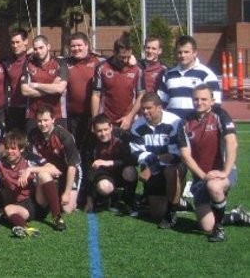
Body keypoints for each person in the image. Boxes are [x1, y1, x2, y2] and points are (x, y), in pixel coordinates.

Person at [178, 84, 238, 242]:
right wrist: (204, 176)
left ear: (212, 101)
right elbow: (186, 156)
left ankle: (219, 230)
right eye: (196, 99)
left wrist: (225, 172)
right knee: (206, 226)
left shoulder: (220, 115)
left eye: (204, 99)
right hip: (201, 176)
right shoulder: (184, 122)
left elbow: (232, 143)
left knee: (215, 186)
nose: (199, 102)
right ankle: (233, 216)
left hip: (224, 171)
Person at [130, 92, 183, 228]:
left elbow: (175, 155)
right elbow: (137, 153)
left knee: (171, 172)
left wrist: (152, 167)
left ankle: (171, 211)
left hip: (173, 166)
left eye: (149, 108)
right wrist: (155, 163)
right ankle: (178, 202)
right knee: (156, 214)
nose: (145, 112)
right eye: (143, 109)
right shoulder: (137, 126)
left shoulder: (174, 122)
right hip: (151, 167)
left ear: (159, 107)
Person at [28, 105, 80, 230]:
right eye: (39, 121)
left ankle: (68, 196)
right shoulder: (33, 134)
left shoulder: (65, 136)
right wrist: (44, 166)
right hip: (47, 171)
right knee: (42, 201)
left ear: (53, 120)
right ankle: (56, 216)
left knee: (67, 209)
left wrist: (67, 193)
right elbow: (28, 156)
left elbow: (72, 166)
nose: (42, 124)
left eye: (46, 120)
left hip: (68, 171)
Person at [0, 131, 45, 238]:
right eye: (8, 148)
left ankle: (26, 228)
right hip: (14, 202)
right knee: (7, 209)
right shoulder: (0, 164)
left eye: (13, 149)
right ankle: (23, 228)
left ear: (21, 149)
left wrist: (30, 171)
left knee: (8, 209)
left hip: (29, 203)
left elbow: (54, 171)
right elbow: (3, 188)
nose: (9, 151)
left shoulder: (28, 161)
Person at [158, 35, 221, 119]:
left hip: (195, 126)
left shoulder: (207, 74)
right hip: (173, 126)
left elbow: (216, 103)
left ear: (195, 53)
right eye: (179, 52)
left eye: (186, 52)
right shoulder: (168, 75)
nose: (182, 55)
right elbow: (160, 102)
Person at [85, 114, 137, 214]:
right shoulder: (90, 142)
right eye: (99, 131)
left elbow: (132, 160)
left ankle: (129, 201)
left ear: (111, 127)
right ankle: (112, 198)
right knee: (104, 187)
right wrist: (89, 200)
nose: (103, 133)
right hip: (104, 175)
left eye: (105, 129)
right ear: (94, 130)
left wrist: (109, 162)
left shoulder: (123, 136)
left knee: (130, 171)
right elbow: (89, 169)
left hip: (122, 171)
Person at [91, 37, 144, 130]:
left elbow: (141, 95)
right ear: (114, 52)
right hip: (106, 121)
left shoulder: (137, 69)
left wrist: (130, 117)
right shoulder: (102, 67)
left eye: (128, 57)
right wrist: (95, 120)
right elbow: (96, 95)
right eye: (122, 57)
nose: (125, 60)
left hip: (129, 121)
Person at [20, 35, 68, 132]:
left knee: (58, 145)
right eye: (35, 49)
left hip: (57, 114)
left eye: (41, 48)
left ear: (48, 47)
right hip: (33, 115)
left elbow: (59, 89)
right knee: (33, 146)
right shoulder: (29, 64)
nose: (38, 51)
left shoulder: (60, 63)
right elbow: (25, 91)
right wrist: (51, 88)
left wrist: (35, 85)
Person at [64, 32, 102, 147]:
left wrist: (132, 58)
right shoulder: (65, 63)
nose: (76, 48)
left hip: (93, 115)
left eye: (79, 45)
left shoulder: (98, 62)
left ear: (86, 45)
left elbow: (117, 60)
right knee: (74, 147)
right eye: (73, 46)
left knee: (91, 148)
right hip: (72, 116)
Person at [5, 29, 31, 132]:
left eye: (17, 42)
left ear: (25, 42)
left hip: (30, 108)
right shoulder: (7, 62)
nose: (15, 45)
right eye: (12, 43)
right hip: (13, 108)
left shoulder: (33, 58)